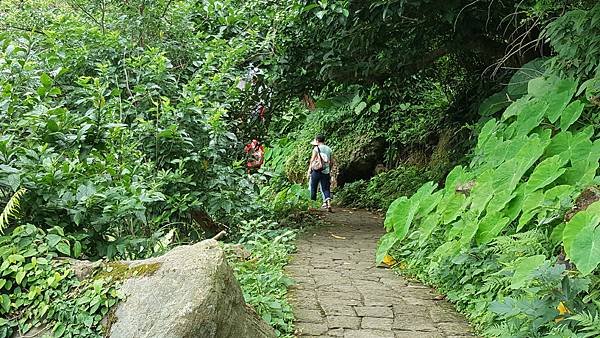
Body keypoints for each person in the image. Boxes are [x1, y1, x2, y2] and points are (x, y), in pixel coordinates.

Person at [307, 134, 333, 212]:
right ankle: (328, 203)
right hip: (326, 171)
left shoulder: (316, 149)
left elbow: (312, 160)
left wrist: (309, 170)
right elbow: (331, 162)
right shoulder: (329, 149)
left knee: (313, 188)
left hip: (317, 171)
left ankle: (312, 206)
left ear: (317, 140)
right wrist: (329, 170)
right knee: (325, 188)